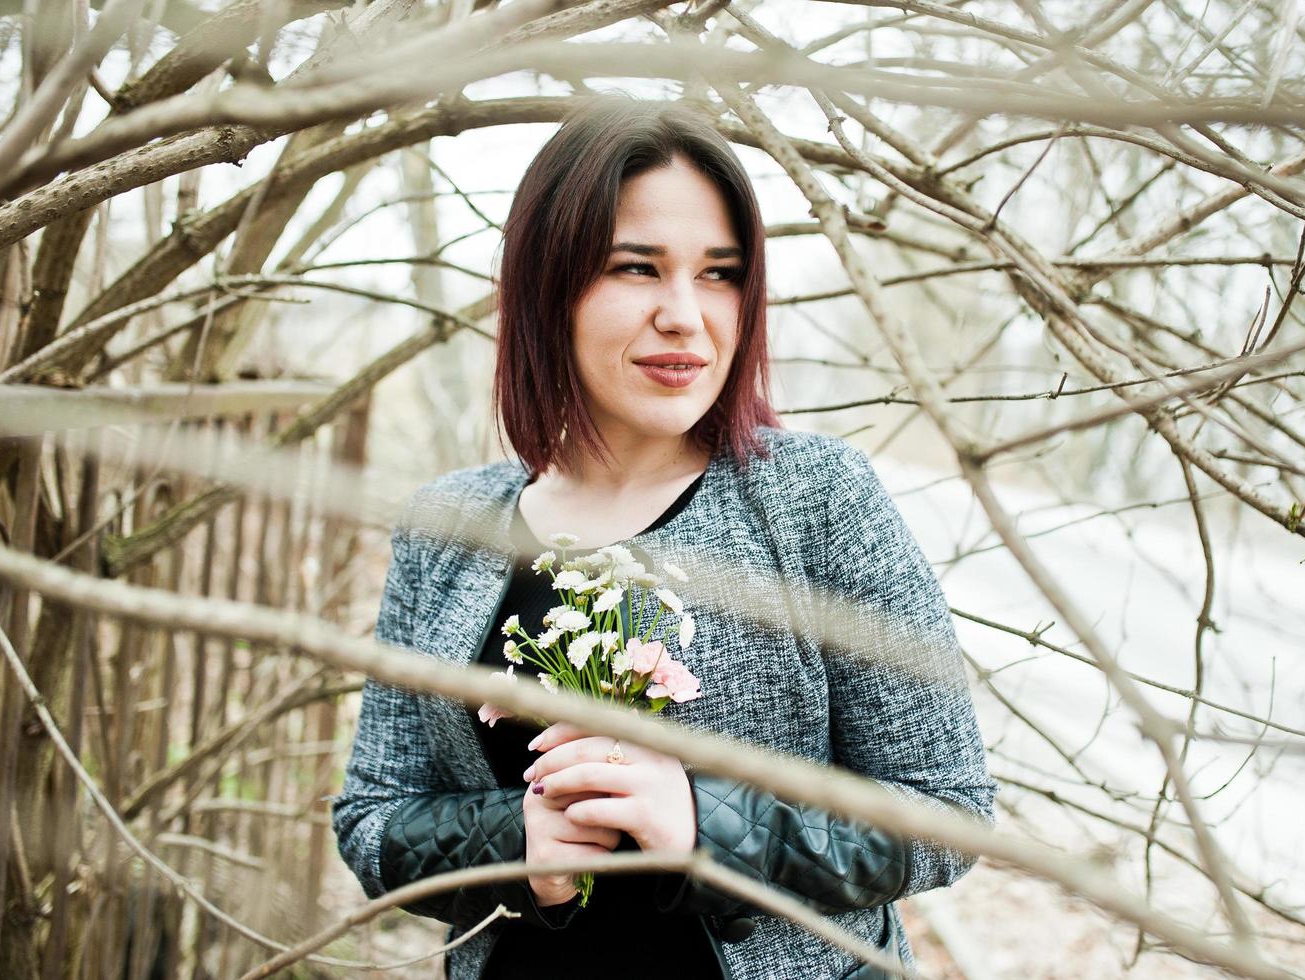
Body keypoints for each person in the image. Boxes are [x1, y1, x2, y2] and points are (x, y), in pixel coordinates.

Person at [331, 96, 996, 980]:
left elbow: (947, 814)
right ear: (547, 286)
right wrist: (514, 843)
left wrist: (703, 823)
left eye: (719, 274)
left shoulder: (812, 501)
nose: (686, 315)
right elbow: (373, 819)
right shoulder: (447, 529)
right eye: (636, 267)